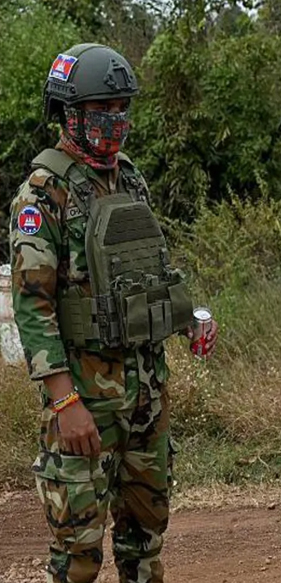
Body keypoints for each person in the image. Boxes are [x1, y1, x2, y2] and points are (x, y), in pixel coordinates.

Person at [10, 43, 219, 583]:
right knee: (78, 554)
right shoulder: (42, 195)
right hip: (85, 399)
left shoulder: (129, 179)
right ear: (70, 114)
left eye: (123, 108)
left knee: (146, 542)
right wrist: (65, 402)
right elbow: (32, 305)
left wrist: (189, 317)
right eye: (104, 110)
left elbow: (147, 275)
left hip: (147, 393)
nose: (117, 121)